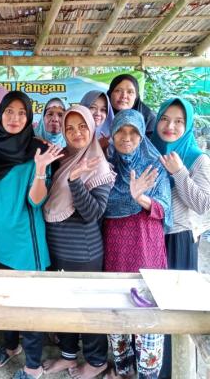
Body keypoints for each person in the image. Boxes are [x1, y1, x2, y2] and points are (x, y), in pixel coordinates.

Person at [0, 91, 63, 379]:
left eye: (21, 112)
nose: (14, 118)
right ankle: (10, 345)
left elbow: (36, 201)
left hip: (26, 243)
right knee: (3, 301)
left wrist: (40, 170)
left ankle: (33, 366)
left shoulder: (39, 149)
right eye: (9, 111)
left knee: (28, 308)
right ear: (0, 114)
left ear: (29, 117)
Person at [42, 105, 116, 379]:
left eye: (82, 126)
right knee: (64, 308)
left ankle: (96, 362)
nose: (76, 133)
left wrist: (75, 181)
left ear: (92, 128)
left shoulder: (98, 165)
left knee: (88, 310)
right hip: (59, 251)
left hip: (83, 254)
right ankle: (68, 355)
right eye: (70, 128)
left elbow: (92, 214)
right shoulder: (64, 159)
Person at [103, 109, 171, 379]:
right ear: (113, 134)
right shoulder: (107, 166)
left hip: (147, 250)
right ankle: (123, 370)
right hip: (116, 251)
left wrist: (140, 198)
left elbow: (164, 209)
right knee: (117, 314)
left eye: (133, 132)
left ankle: (147, 373)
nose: (127, 137)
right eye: (121, 130)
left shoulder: (155, 166)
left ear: (142, 135)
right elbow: (100, 206)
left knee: (148, 318)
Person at [151, 97, 210, 379]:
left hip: (180, 239)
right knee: (153, 304)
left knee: (177, 308)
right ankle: (152, 368)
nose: (170, 126)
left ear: (187, 126)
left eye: (178, 121)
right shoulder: (150, 150)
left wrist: (179, 172)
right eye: (164, 118)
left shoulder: (197, 159)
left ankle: (176, 370)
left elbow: (203, 204)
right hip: (152, 237)